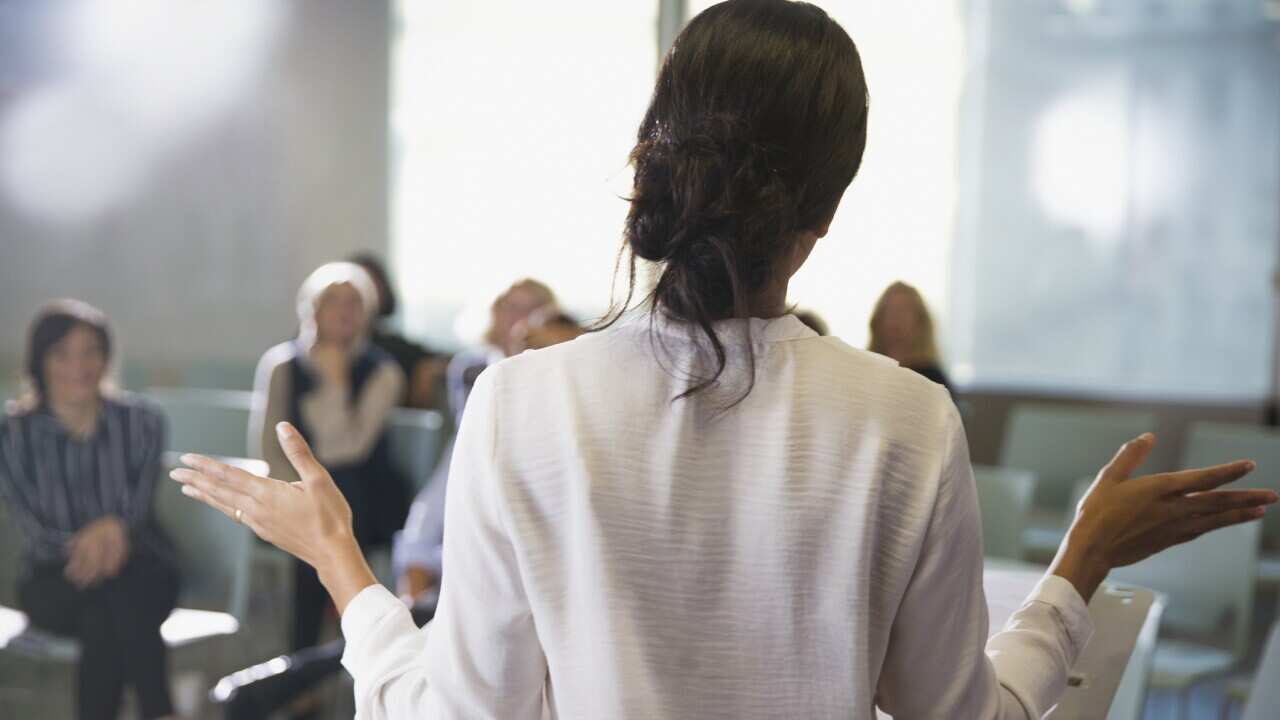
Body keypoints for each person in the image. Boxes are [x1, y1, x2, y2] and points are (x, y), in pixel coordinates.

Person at [173, 2, 1277, 718]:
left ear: (648, 158)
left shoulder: (521, 403)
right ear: (828, 210)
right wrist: (1078, 565)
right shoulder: (904, 422)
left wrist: (343, 569)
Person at [0, 300, 179, 720]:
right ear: (40, 362)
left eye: (90, 351)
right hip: (53, 576)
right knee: (112, 608)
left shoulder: (143, 422)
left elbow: (134, 513)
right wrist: (99, 539)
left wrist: (115, 533)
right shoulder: (11, 435)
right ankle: (161, 711)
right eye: (62, 353)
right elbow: (36, 526)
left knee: (110, 606)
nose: (78, 365)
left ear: (106, 358)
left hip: (140, 564)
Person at [249, 261, 408, 654]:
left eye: (354, 302)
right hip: (301, 496)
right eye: (332, 300)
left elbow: (345, 449)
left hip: (365, 503)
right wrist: (299, 496)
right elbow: (268, 448)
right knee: (315, 524)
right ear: (311, 309)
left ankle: (302, 660)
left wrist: (333, 382)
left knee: (324, 519)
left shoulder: (383, 373)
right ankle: (312, 665)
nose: (343, 310)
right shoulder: (281, 365)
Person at [348, 253, 450, 409]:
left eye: (369, 286)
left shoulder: (392, 348)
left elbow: (449, 360)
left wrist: (430, 368)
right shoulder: (304, 354)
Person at [868, 280, 954, 394]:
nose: (895, 318)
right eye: (889, 310)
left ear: (920, 321)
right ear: (878, 318)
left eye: (903, 311)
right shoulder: (867, 369)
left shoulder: (933, 380)